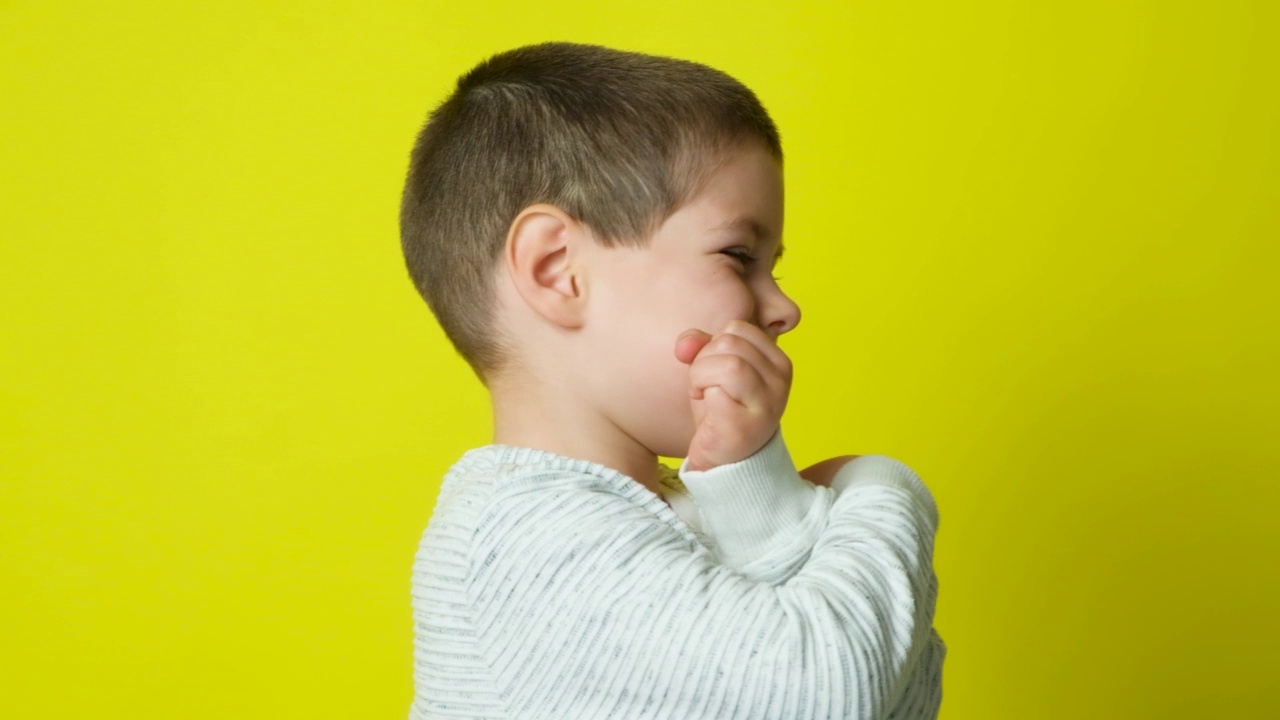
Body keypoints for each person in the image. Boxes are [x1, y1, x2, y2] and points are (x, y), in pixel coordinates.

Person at [399, 41, 944, 719]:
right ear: (556, 270)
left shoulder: (664, 513)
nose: (783, 308)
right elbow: (828, 693)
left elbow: (898, 697)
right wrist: (888, 488)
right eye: (738, 256)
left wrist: (771, 505)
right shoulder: (527, 529)